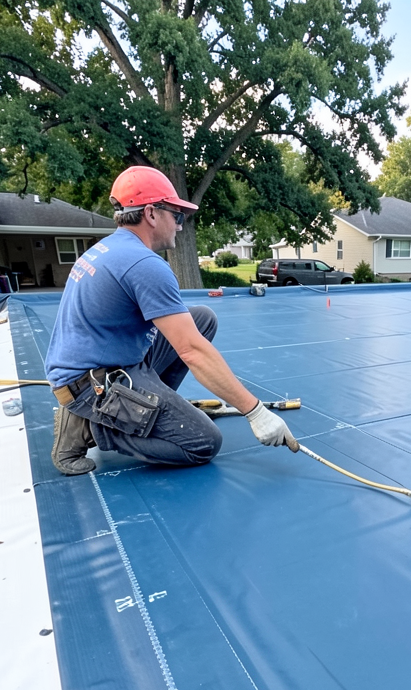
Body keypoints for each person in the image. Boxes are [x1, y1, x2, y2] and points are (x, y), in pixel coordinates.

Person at [44, 165, 297, 476]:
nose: (180, 226)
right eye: (176, 216)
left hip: (99, 365)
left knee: (202, 319)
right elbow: (192, 351)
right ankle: (94, 426)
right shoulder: (144, 264)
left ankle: (146, 407)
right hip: (93, 385)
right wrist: (255, 412)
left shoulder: (112, 248)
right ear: (151, 213)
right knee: (202, 443)